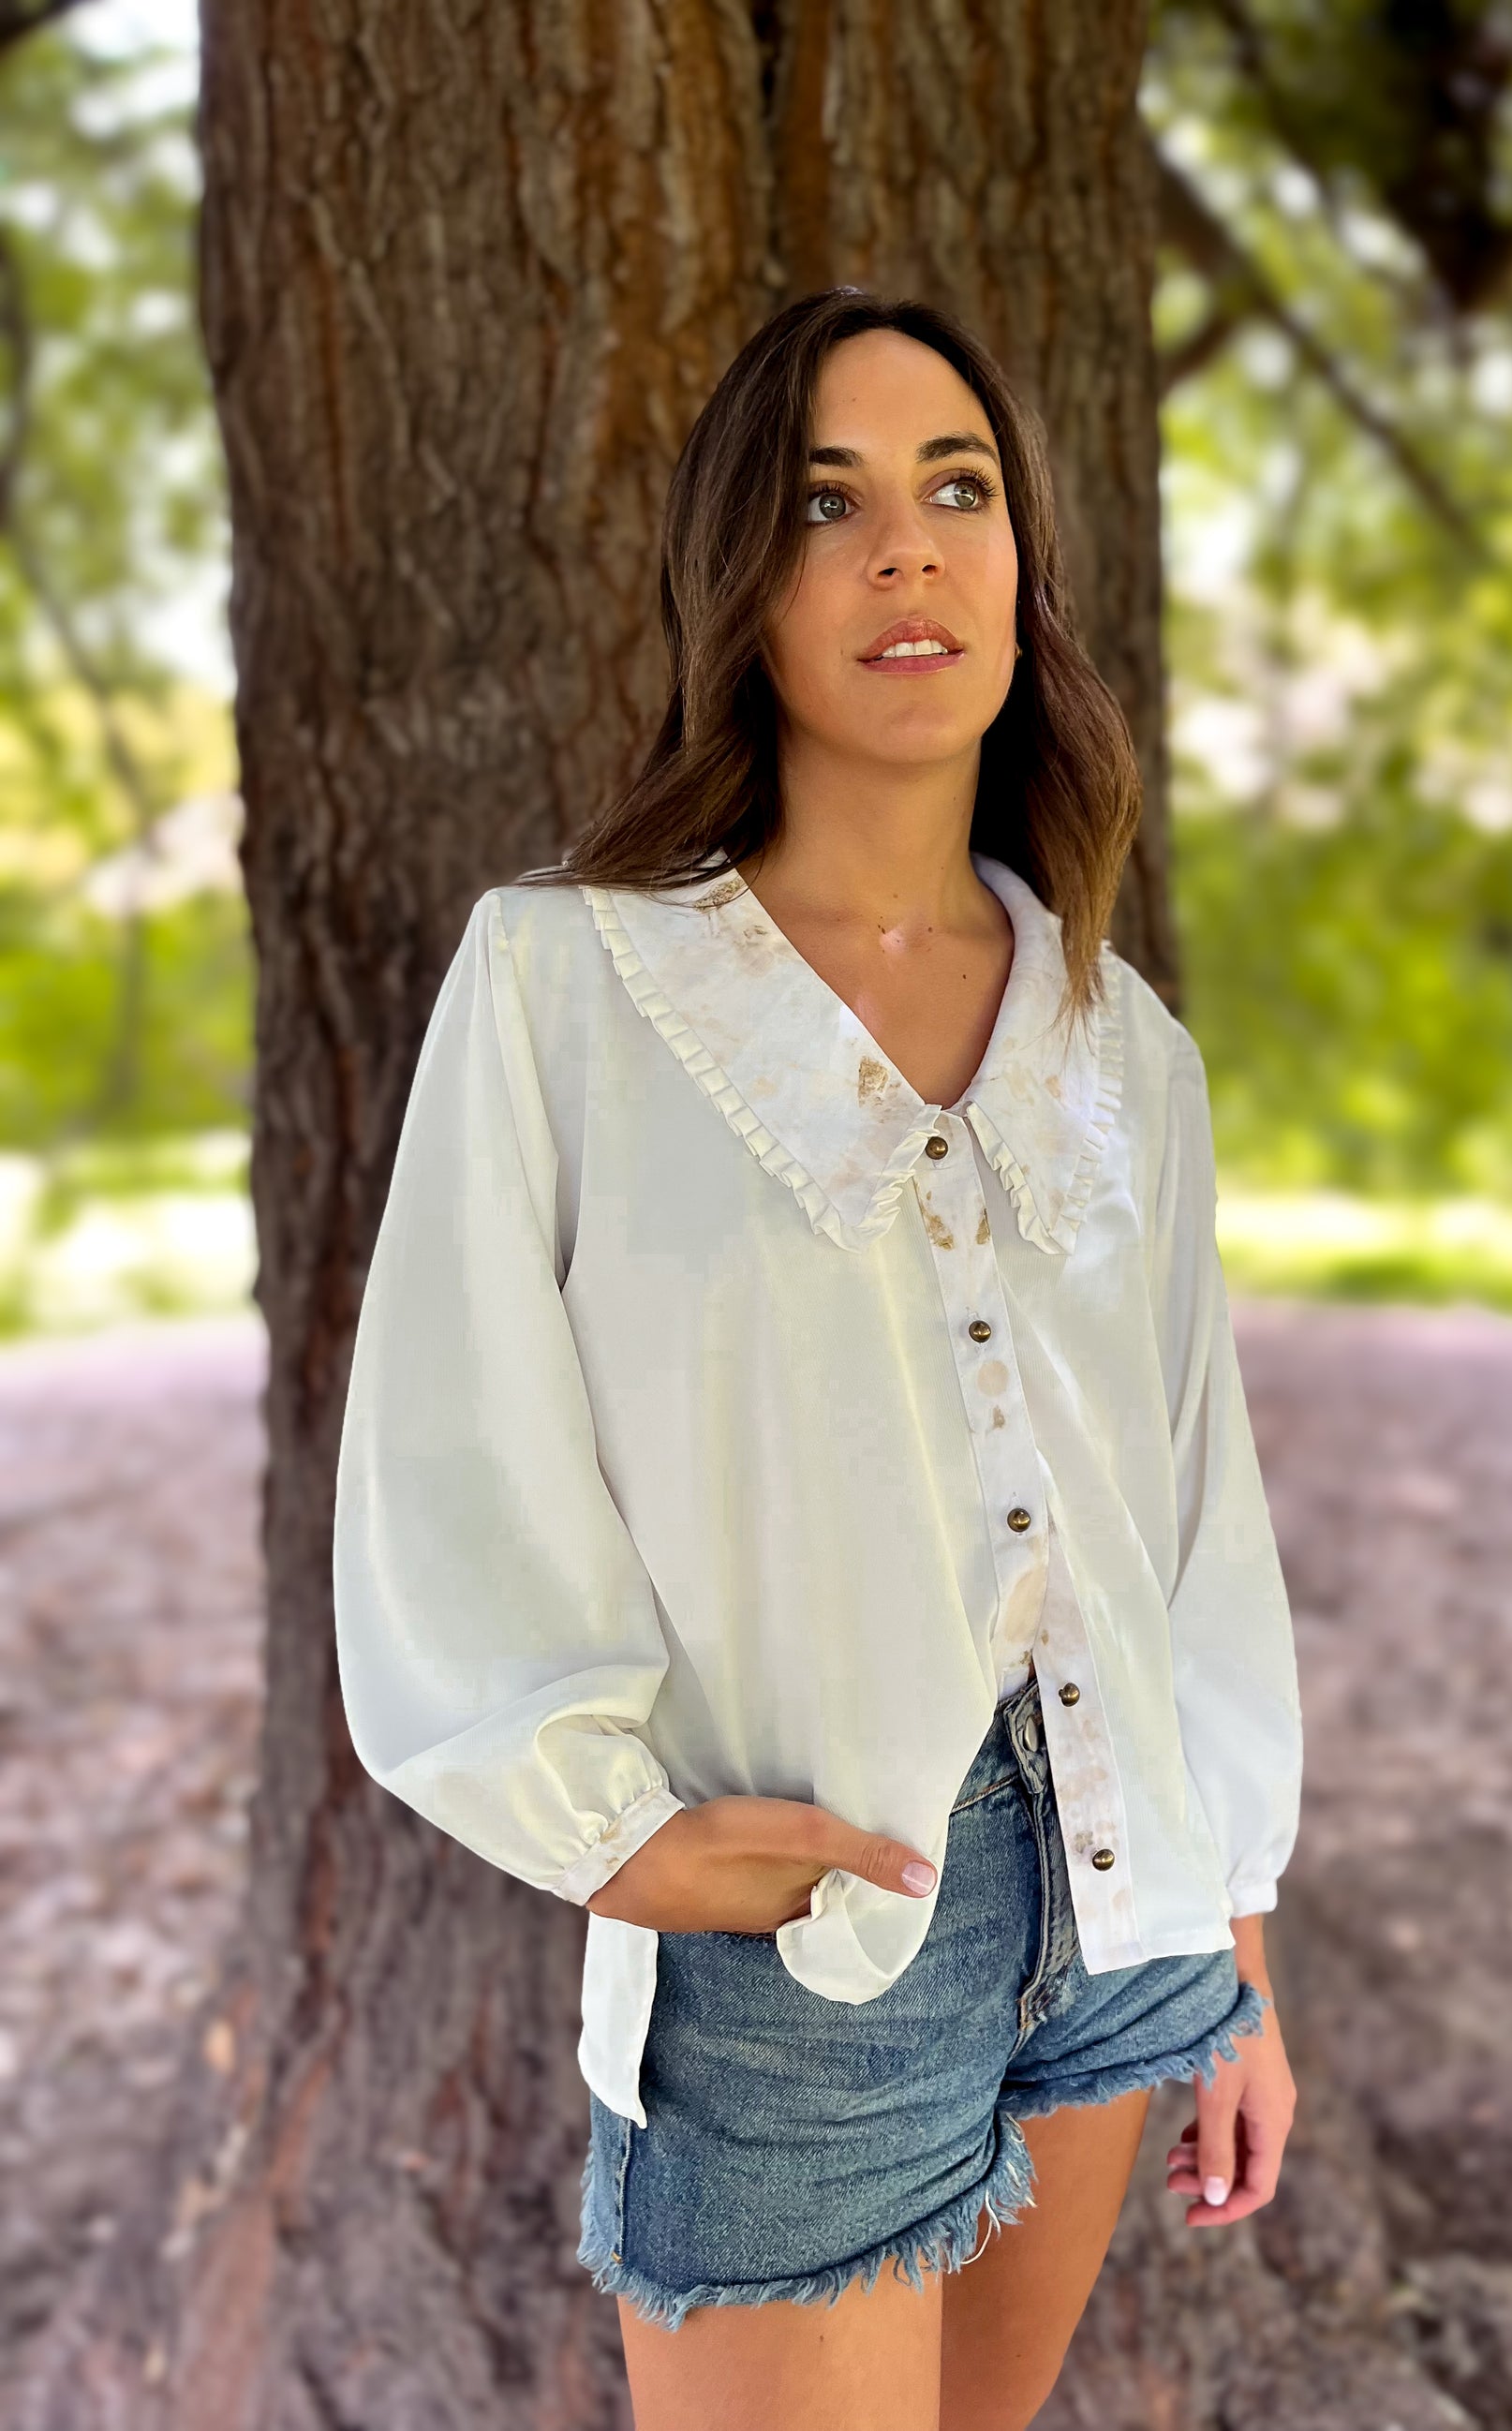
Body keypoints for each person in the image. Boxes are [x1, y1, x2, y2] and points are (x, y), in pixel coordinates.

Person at [332, 286, 1303, 2431]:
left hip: (1125, 1882)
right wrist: (601, 1825)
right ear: (739, 588)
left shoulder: (1118, 1038)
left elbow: (1189, 1501)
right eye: (822, 502)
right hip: (811, 1928)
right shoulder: (568, 982)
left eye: (957, 489)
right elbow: (450, 1438)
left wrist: (1232, 1930)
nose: (904, 548)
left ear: (1020, 563)